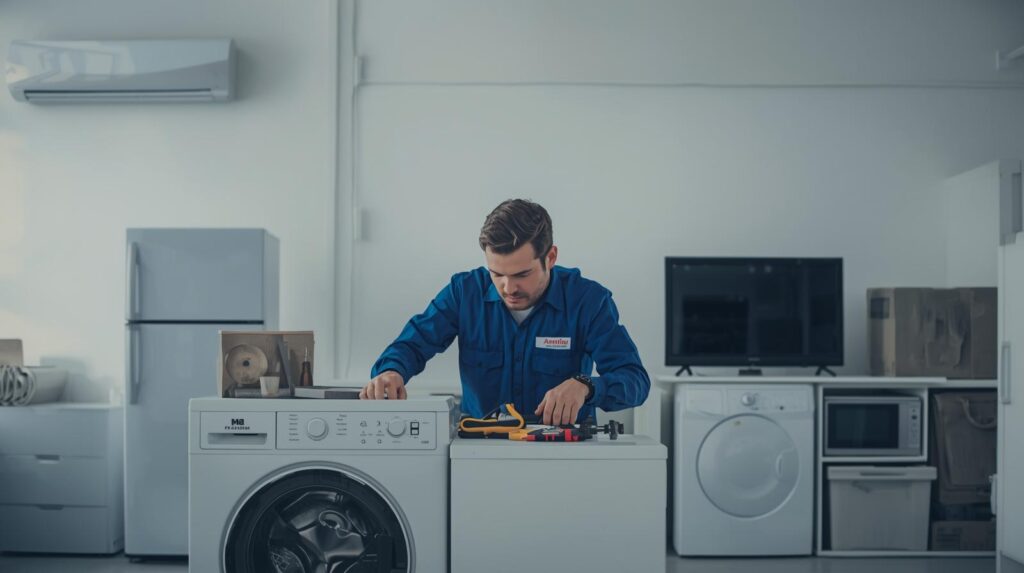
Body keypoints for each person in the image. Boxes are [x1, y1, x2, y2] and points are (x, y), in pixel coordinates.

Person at [360, 199, 649, 425]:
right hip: (479, 453)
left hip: (563, 453)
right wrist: (391, 371)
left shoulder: (588, 301)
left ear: (550, 257)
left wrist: (586, 385)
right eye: (496, 274)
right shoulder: (464, 292)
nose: (508, 287)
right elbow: (413, 343)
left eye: (522, 274)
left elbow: (635, 380)